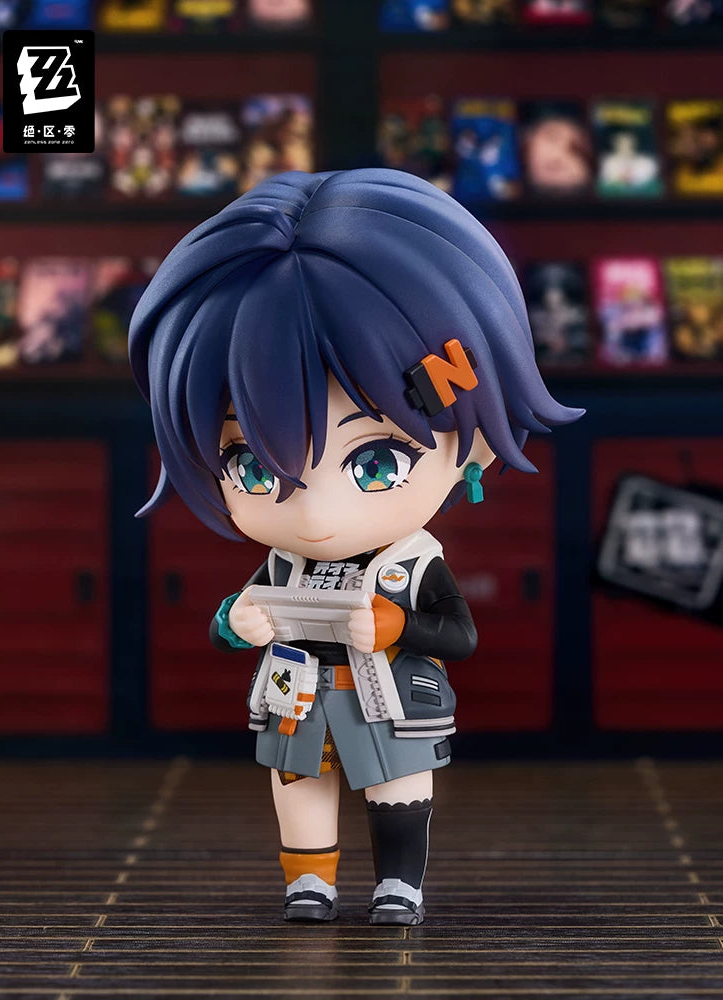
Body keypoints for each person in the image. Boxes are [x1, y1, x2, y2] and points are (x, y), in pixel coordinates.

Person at [128, 168, 584, 924]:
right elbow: (230, 620)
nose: (315, 513)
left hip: (391, 700)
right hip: (296, 696)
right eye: (253, 466)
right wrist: (235, 620)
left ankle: (399, 883)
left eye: (375, 462)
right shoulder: (283, 563)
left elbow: (459, 634)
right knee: (298, 787)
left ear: (472, 448)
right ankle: (308, 882)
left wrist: (399, 625)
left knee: (396, 786)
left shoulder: (414, 563)